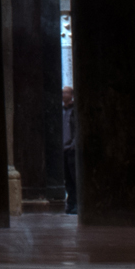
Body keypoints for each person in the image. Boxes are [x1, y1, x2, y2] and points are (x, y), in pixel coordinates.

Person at [61, 86, 77, 215]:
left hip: (72, 148)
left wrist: (74, 144)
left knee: (75, 177)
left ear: (72, 95)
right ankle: (71, 203)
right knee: (67, 179)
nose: (62, 94)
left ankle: (77, 204)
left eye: (65, 92)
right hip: (63, 149)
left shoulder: (75, 110)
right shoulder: (60, 110)